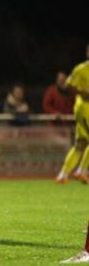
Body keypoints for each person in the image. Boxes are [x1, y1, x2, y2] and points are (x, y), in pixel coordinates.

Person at [55, 44, 89, 184]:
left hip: (83, 108)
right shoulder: (81, 69)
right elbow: (68, 86)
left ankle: (63, 175)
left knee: (80, 143)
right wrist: (83, 92)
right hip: (84, 107)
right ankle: (82, 171)